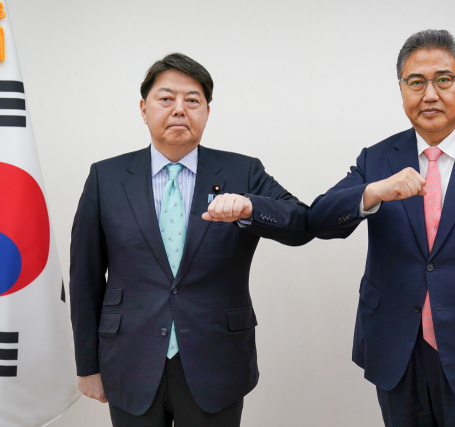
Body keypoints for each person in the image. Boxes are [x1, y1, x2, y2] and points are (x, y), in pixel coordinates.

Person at [307, 30, 455, 427]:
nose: (430, 94)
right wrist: (374, 191)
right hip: (397, 348)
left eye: (444, 80)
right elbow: (318, 219)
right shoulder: (377, 158)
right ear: (402, 89)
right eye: (416, 82)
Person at [69, 53, 312, 427]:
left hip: (216, 362)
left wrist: (251, 207)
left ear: (207, 112)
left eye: (192, 100)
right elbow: (85, 279)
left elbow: (302, 223)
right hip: (129, 360)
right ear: (144, 109)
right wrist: (87, 364)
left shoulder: (242, 171)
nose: (179, 109)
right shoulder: (106, 178)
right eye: (166, 98)